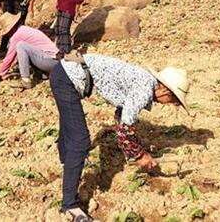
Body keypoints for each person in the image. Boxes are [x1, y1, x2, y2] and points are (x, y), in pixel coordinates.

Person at [49, 55, 190, 221]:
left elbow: (121, 116)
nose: (171, 104)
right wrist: (139, 155)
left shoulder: (144, 81)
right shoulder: (144, 89)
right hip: (66, 79)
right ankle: (69, 206)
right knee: (80, 141)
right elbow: (124, 130)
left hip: (63, 72)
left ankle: (67, 162)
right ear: (165, 91)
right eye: (174, 101)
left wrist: (136, 150)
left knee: (70, 123)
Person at [0, 12, 60, 89]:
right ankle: (42, 73)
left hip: (51, 61)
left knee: (21, 45)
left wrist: (0, 73)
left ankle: (26, 81)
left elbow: (9, 57)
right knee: (24, 50)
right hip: (53, 60)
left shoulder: (17, 35)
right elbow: (17, 57)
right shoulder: (23, 29)